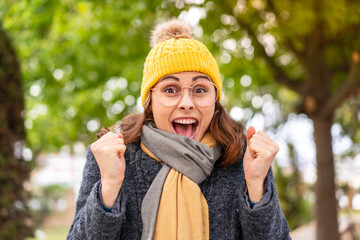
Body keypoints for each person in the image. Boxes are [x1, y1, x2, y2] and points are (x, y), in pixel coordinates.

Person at [67, 19, 291, 240]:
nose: (187, 102)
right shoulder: (113, 156)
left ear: (215, 100)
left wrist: (256, 191)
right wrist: (108, 189)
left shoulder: (243, 157)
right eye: (171, 89)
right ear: (150, 102)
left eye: (200, 89)